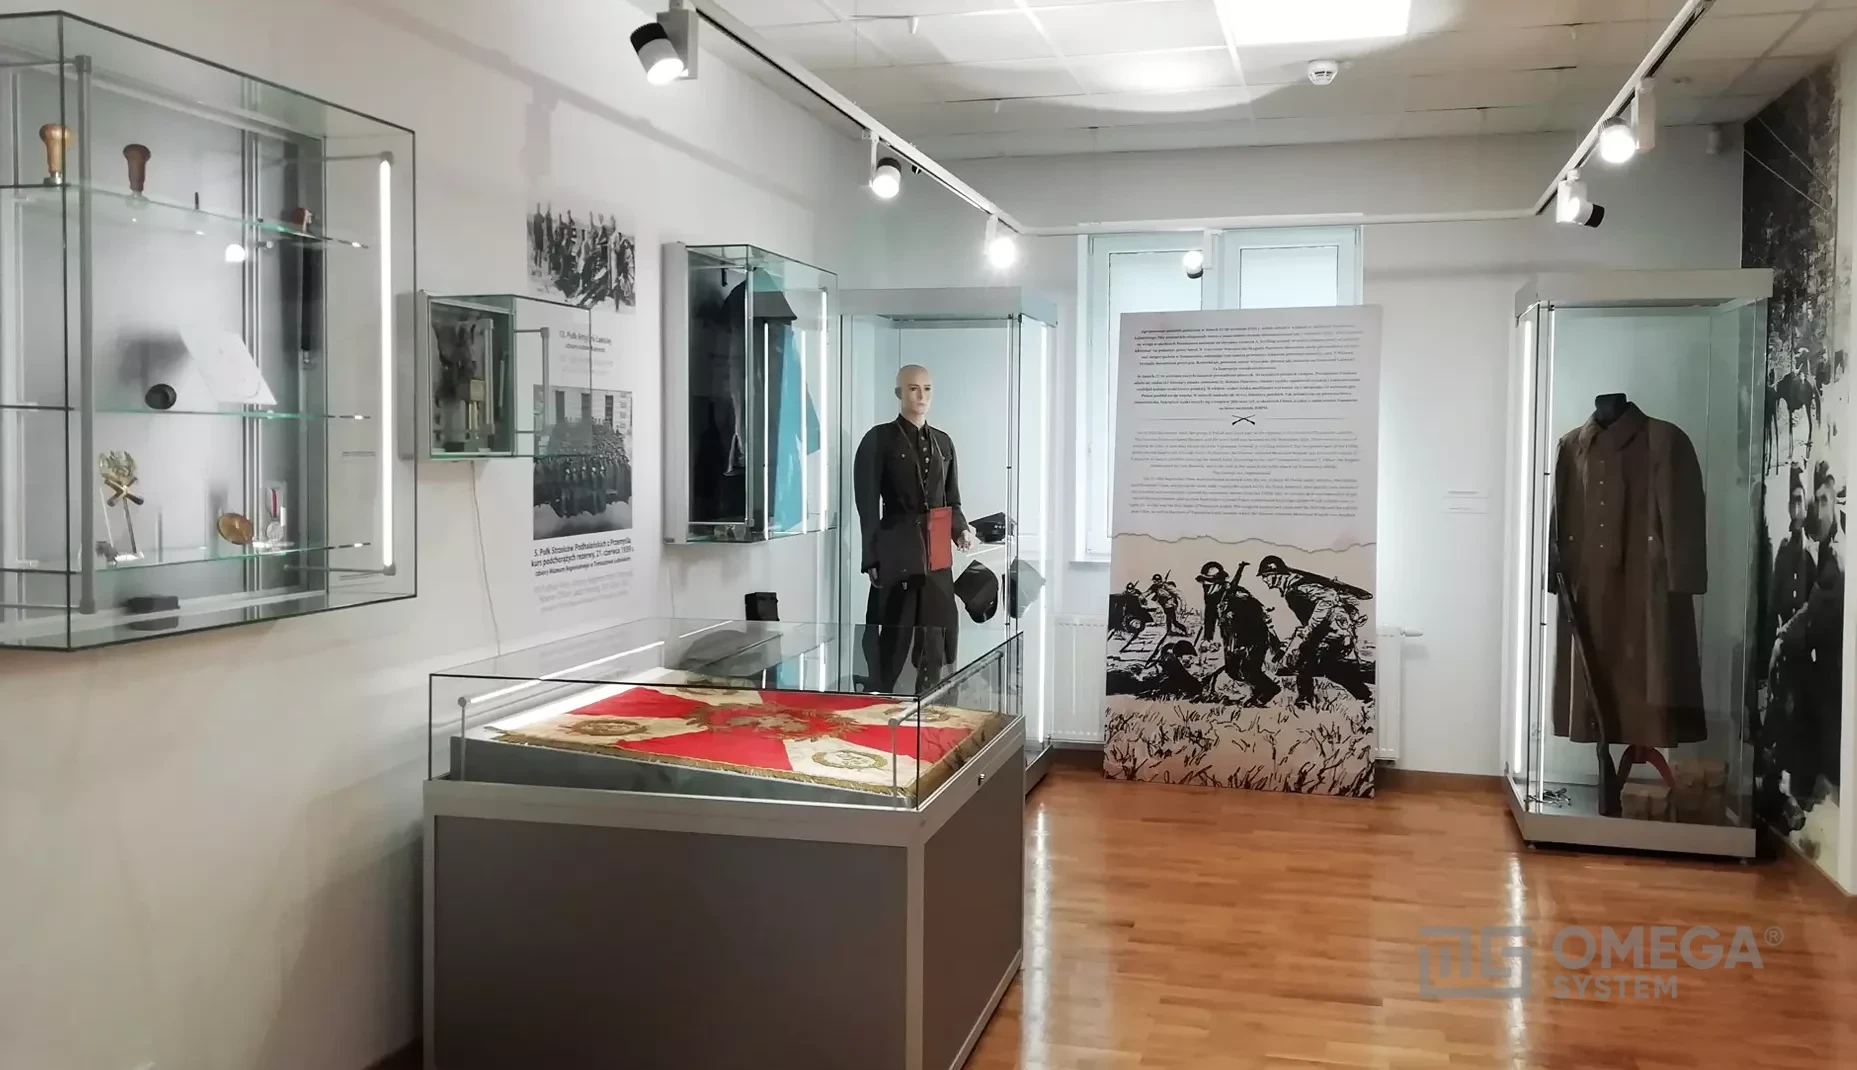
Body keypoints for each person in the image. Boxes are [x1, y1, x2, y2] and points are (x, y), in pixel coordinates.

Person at [853, 364, 972, 688]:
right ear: (899, 393)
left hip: (937, 550)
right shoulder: (878, 440)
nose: (921, 396)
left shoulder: (943, 443)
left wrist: (960, 530)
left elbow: (952, 500)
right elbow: (867, 505)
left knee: (939, 631)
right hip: (897, 545)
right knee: (895, 629)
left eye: (927, 388)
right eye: (913, 388)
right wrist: (871, 557)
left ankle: (936, 703)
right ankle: (884, 699)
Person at [1771, 461, 1844, 805]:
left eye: (1822, 501)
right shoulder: (1799, 548)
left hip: (1833, 671)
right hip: (1818, 660)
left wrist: (1784, 639)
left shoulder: (1833, 556)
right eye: (1815, 502)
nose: (1815, 510)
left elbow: (1814, 608)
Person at [1257, 555, 1374, 708]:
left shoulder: (1298, 588)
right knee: (1313, 663)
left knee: (1322, 665)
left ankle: (1365, 695)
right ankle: (1306, 700)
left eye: (1266, 576)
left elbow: (1329, 597)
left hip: (1330, 632)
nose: (1264, 580)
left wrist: (1310, 627)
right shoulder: (1292, 589)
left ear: (1277, 575)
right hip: (1324, 632)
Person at [1196, 561, 1281, 704]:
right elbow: (1210, 617)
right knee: (1233, 671)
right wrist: (1207, 638)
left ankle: (1269, 690)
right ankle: (1258, 691)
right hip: (1231, 639)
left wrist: (1243, 642)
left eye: (1209, 582)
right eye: (1204, 582)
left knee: (1249, 669)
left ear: (1218, 582)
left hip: (1253, 637)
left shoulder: (1239, 594)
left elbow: (1256, 616)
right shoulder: (1211, 597)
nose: (1205, 585)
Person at [1147, 572, 1187, 636]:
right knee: (1169, 619)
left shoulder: (1166, 586)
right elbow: (1147, 593)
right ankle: (1169, 631)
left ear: (1159, 580)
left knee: (1172, 620)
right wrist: (1139, 598)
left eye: (1156, 581)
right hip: (1164, 605)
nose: (1155, 582)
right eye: (1154, 581)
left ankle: (1184, 629)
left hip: (1170, 604)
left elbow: (1179, 594)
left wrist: (1183, 606)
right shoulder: (1154, 587)